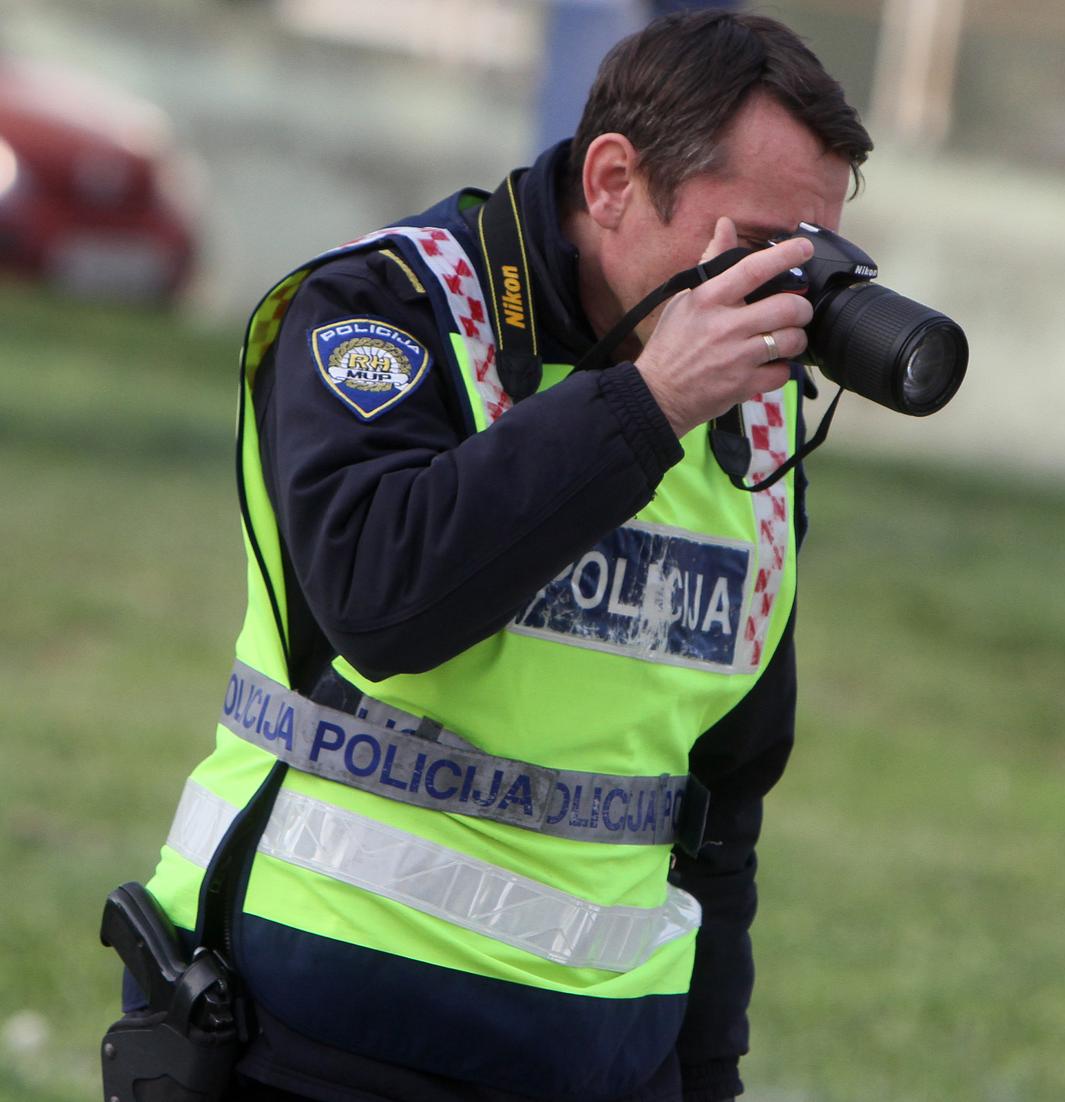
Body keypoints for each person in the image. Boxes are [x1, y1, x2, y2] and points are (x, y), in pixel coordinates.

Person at [116, 11, 871, 1101]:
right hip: (314, 1037)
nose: (782, 298)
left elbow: (718, 809)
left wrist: (708, 1076)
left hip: (607, 1058)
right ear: (612, 179)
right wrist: (649, 404)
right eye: (756, 246)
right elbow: (383, 604)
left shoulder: (750, 423)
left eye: (817, 257)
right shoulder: (386, 309)